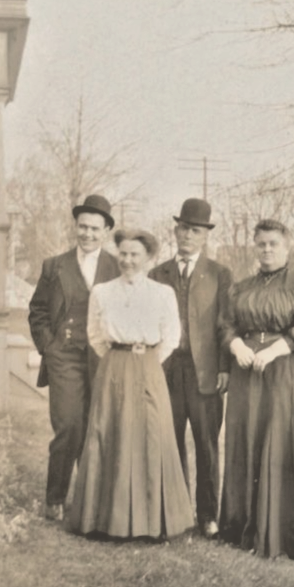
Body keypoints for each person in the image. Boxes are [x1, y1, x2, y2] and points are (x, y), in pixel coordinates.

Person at [219, 219, 294, 560]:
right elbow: (227, 324)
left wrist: (273, 350)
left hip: (289, 370)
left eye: (274, 244)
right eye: (261, 244)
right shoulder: (241, 288)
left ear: (287, 248)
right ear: (254, 247)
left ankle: (287, 532)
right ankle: (244, 525)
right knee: (249, 440)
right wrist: (236, 346)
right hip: (248, 372)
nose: (267, 249)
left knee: (286, 443)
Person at [68, 229, 194, 540]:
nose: (127, 260)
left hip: (149, 366)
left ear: (148, 257)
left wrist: (146, 360)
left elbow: (171, 337)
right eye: (122, 253)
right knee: (110, 432)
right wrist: (118, 359)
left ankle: (152, 521)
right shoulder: (102, 291)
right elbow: (95, 335)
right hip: (114, 366)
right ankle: (105, 520)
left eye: (134, 254)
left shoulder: (162, 293)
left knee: (151, 432)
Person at [28, 194, 119, 520]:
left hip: (103, 358)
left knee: (98, 427)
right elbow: (37, 311)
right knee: (68, 424)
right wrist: (49, 347)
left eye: (95, 229)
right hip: (64, 356)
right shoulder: (54, 266)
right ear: (75, 226)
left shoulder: (117, 267)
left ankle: (91, 501)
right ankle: (55, 497)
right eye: (83, 227)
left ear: (106, 231)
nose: (87, 234)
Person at [150, 198, 232, 537]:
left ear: (205, 236)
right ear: (175, 231)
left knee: (207, 445)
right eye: (183, 228)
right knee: (170, 442)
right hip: (167, 371)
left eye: (195, 230)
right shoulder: (158, 274)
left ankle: (208, 515)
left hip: (206, 373)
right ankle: (177, 511)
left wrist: (224, 367)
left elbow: (226, 324)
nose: (188, 235)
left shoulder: (219, 275)